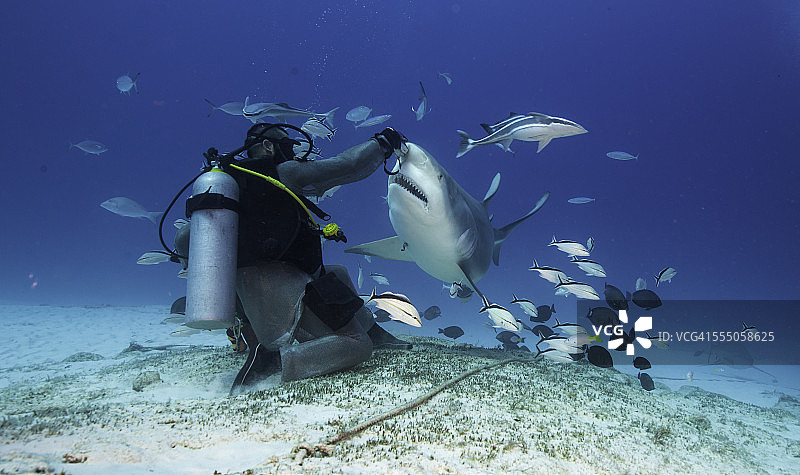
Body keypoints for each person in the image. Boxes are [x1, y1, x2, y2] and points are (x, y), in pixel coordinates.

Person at [174, 123, 412, 394]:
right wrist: (382, 142)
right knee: (355, 344)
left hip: (250, 299)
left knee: (337, 273)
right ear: (268, 146)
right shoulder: (283, 172)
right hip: (280, 291)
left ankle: (375, 332)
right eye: (288, 147)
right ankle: (274, 360)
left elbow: (183, 238)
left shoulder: (233, 188)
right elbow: (346, 166)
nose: (293, 154)